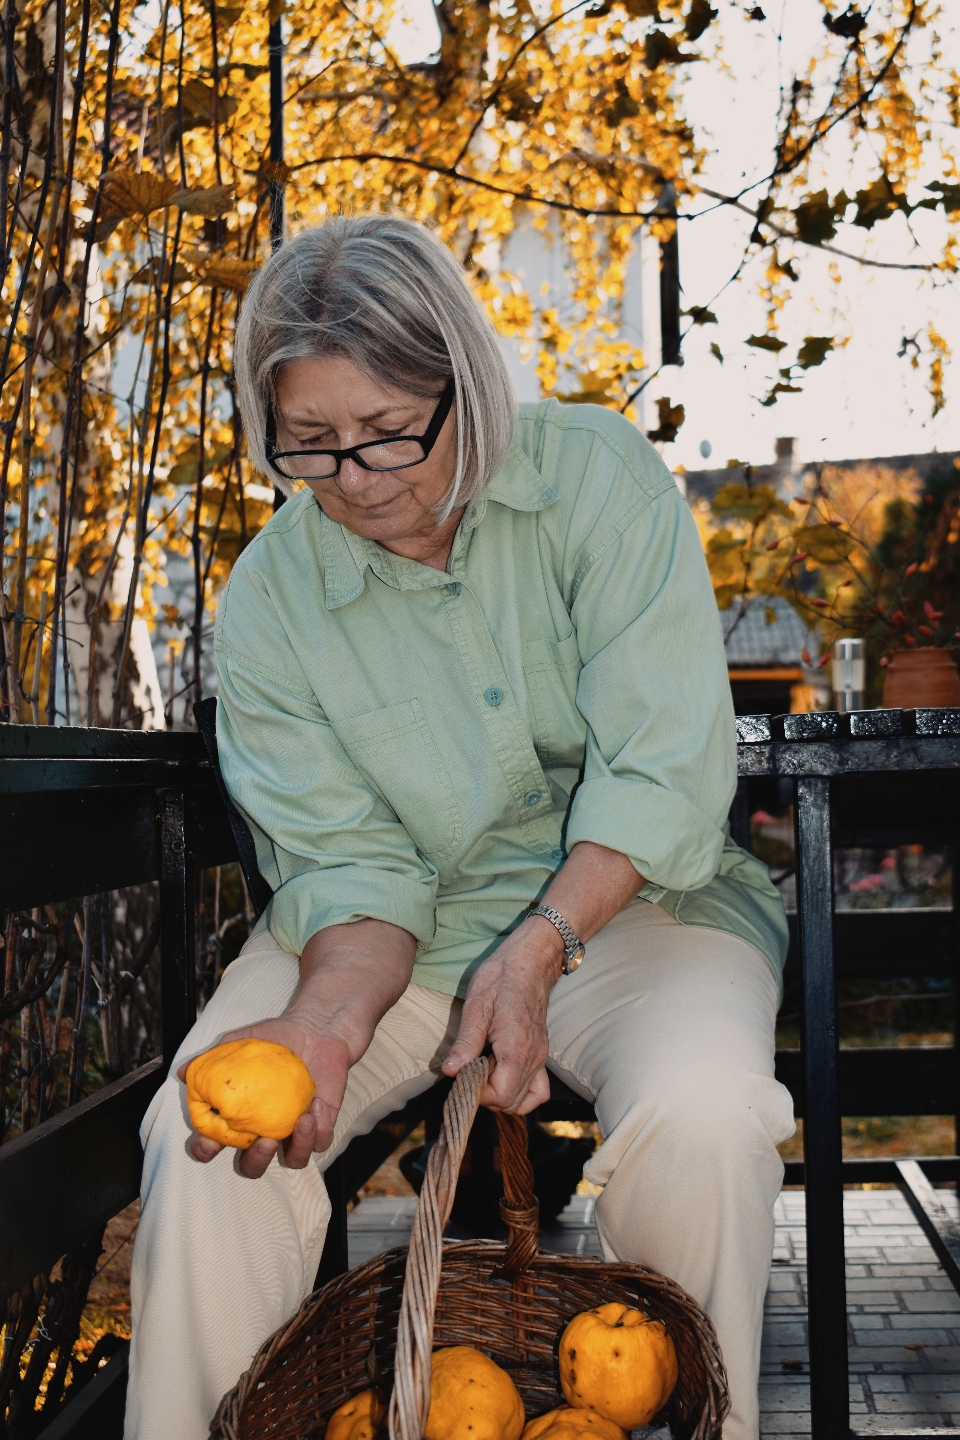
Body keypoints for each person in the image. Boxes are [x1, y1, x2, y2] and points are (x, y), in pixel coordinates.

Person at [126, 214, 793, 1440]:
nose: (357, 480)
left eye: (387, 432)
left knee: (705, 1120)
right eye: (310, 445)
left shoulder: (597, 478)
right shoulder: (273, 601)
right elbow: (348, 865)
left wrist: (536, 949)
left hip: (645, 903)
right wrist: (324, 1027)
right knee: (205, 1146)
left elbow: (659, 768)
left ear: (466, 388)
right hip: (395, 934)